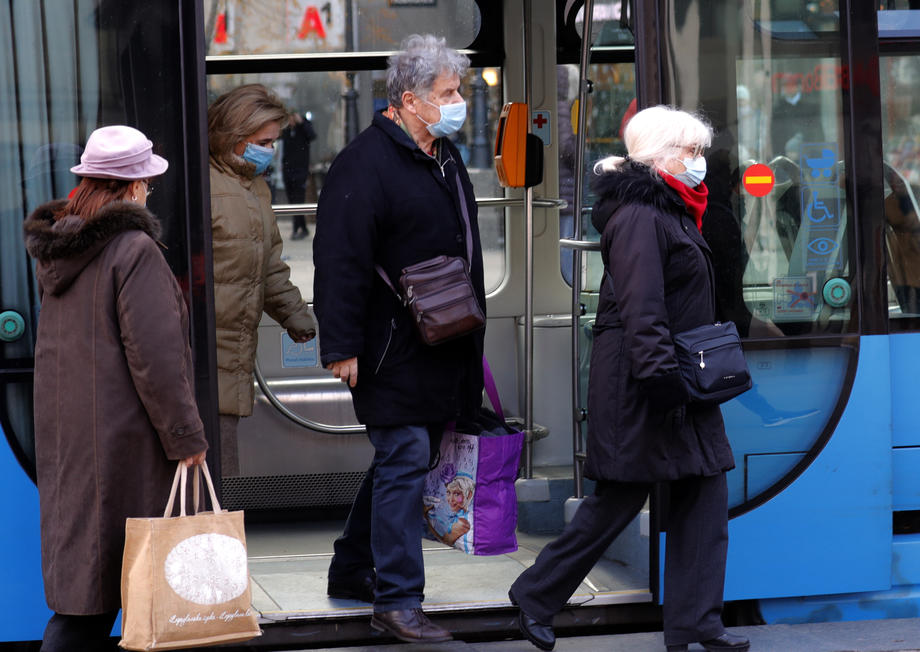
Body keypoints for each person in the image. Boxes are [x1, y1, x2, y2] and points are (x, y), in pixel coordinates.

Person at [508, 106, 751, 652]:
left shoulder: (669, 207)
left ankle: (696, 624)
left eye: (699, 151)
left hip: (676, 378)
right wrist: (665, 384)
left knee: (703, 497)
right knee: (615, 502)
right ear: (660, 156)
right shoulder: (643, 214)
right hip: (650, 382)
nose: (699, 162)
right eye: (689, 152)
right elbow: (643, 310)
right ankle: (536, 597)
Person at [313, 34, 485, 644]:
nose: (458, 100)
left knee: (400, 460)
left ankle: (352, 567)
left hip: (439, 344)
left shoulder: (443, 155)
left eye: (459, 89)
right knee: (405, 455)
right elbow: (339, 260)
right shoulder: (364, 164)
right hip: (386, 347)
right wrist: (339, 347)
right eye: (448, 92)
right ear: (409, 100)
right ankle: (398, 600)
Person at [23, 125, 209, 651]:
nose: (149, 191)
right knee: (139, 589)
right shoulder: (134, 250)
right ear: (131, 189)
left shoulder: (61, 249)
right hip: (128, 445)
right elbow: (157, 359)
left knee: (88, 592)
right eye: (146, 182)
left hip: (77, 442)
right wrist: (186, 437)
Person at [207, 84, 316, 477]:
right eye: (263, 141)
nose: (270, 150)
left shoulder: (255, 187)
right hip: (203, 355)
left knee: (220, 470)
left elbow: (268, 263)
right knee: (210, 473)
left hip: (231, 352)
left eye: (274, 142)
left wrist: (296, 316)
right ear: (235, 136)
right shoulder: (204, 184)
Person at [281, 110, 317, 239]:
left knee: (298, 200)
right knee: (292, 200)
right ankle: (303, 228)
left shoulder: (303, 129)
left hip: (300, 169)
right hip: (288, 169)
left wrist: (302, 123)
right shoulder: (286, 131)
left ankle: (297, 228)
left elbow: (312, 135)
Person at [425, 472, 474, 549]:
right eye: (448, 492)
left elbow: (444, 541)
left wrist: (426, 517)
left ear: (469, 495)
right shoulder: (468, 515)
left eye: (457, 494)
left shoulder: (462, 523)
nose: (451, 499)